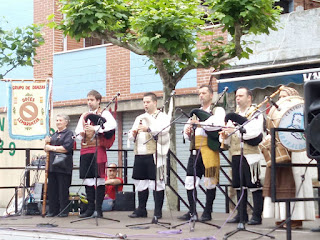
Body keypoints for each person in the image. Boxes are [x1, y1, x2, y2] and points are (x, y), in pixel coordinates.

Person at [261, 86, 315, 229]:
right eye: (280, 97)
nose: (281, 99)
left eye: (285, 96)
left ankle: (296, 218)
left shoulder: (300, 111)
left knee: (296, 181)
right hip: (280, 150)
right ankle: (282, 217)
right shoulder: (276, 114)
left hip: (297, 150)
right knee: (279, 182)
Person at [178, 85, 225, 222]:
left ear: (211, 95)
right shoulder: (195, 112)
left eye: (204, 93)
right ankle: (192, 212)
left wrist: (200, 123)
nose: (201, 95)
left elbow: (218, 124)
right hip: (194, 151)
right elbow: (186, 129)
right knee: (189, 181)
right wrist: (187, 132)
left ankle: (207, 212)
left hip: (209, 149)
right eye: (199, 93)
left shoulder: (217, 110)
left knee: (210, 182)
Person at [220, 87, 264, 225]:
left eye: (241, 95)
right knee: (239, 186)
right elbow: (228, 137)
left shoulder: (256, 113)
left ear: (249, 97)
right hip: (235, 154)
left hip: (250, 154)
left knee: (254, 185)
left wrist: (235, 131)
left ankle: (257, 216)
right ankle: (241, 215)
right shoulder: (234, 115)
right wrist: (224, 136)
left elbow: (254, 132)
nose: (237, 98)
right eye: (236, 96)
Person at [127, 92, 171, 219]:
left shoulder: (162, 116)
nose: (145, 104)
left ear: (155, 102)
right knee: (140, 182)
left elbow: (164, 130)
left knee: (157, 181)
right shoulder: (140, 117)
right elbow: (131, 133)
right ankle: (141, 209)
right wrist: (133, 133)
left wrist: (148, 129)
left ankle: (158, 212)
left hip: (155, 153)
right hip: (140, 153)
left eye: (148, 102)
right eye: (144, 102)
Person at [75, 90, 117, 218]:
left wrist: (96, 128)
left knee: (98, 179)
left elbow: (112, 125)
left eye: (92, 100)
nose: (89, 102)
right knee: (88, 179)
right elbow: (77, 131)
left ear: (98, 101)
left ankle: (98, 210)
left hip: (98, 148)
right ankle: (90, 208)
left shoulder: (104, 113)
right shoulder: (84, 115)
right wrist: (81, 134)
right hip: (85, 149)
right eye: (88, 99)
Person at [44, 114, 74, 217]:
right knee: (52, 190)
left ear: (66, 122)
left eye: (60, 120)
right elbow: (46, 148)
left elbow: (66, 148)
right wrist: (46, 144)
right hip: (53, 166)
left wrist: (51, 148)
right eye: (56, 120)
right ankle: (52, 210)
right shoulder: (53, 135)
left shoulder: (69, 134)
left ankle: (63, 211)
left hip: (63, 166)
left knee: (63, 189)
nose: (58, 122)